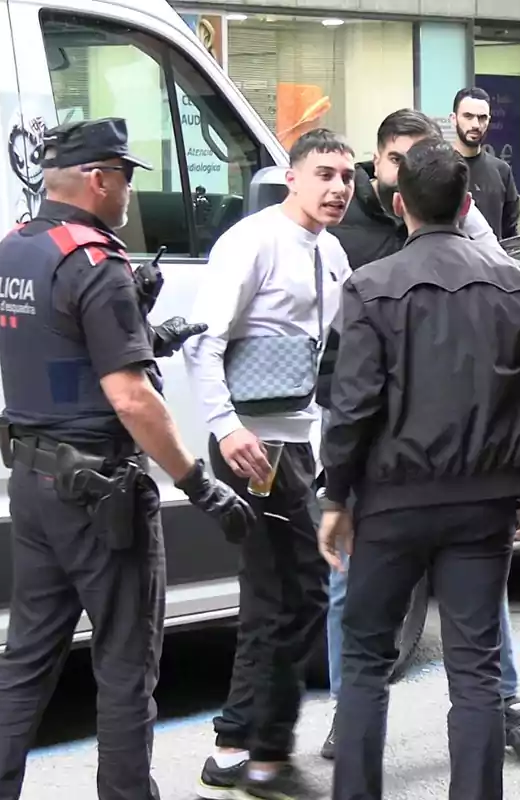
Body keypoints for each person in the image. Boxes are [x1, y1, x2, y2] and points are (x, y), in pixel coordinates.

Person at [0, 117, 257, 800]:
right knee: (126, 669)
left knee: (26, 659)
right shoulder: (98, 261)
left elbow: (56, 346)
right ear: (98, 179)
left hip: (34, 482)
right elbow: (132, 400)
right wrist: (198, 482)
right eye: (124, 177)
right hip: (102, 494)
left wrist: (144, 331)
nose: (128, 192)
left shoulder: (13, 250)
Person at [317, 108, 520, 763]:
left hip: (391, 500)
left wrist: (335, 497)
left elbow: (350, 403)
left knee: (363, 662)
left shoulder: (368, 287)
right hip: (485, 502)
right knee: (476, 670)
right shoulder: (517, 286)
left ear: (400, 202)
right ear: (467, 202)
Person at [182, 127, 356, 800]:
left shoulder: (333, 251)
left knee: (296, 593)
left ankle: (241, 743)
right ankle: (258, 755)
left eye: (346, 176)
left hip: (297, 445)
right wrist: (225, 429)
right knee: (282, 594)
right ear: (292, 176)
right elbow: (204, 345)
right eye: (325, 173)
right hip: (252, 445)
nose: (339, 187)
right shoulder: (251, 241)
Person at [450, 86, 520, 240]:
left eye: (482, 117)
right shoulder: (438, 168)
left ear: (489, 120)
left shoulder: (502, 171)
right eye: (468, 116)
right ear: (453, 119)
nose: (475, 124)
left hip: (492, 261)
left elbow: (510, 232)